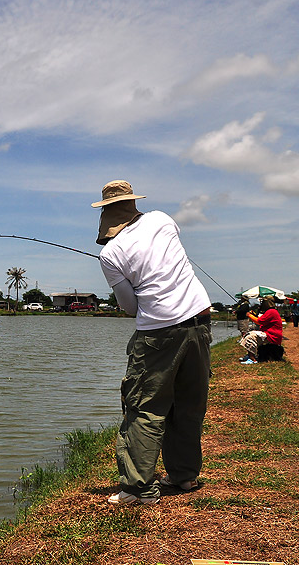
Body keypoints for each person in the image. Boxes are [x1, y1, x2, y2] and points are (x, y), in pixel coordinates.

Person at [92, 180, 212, 505]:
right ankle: (184, 476)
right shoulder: (162, 219)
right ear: (133, 203)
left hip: (159, 332)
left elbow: (130, 307)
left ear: (105, 214)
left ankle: (138, 489)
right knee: (188, 404)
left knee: (144, 407)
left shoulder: (110, 254)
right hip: (200, 321)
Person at [238, 298, 283, 363]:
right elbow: (262, 319)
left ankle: (252, 359)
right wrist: (254, 315)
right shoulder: (272, 311)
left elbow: (259, 321)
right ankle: (250, 355)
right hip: (270, 334)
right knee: (249, 334)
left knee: (250, 337)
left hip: (272, 335)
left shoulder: (271, 311)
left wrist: (249, 315)